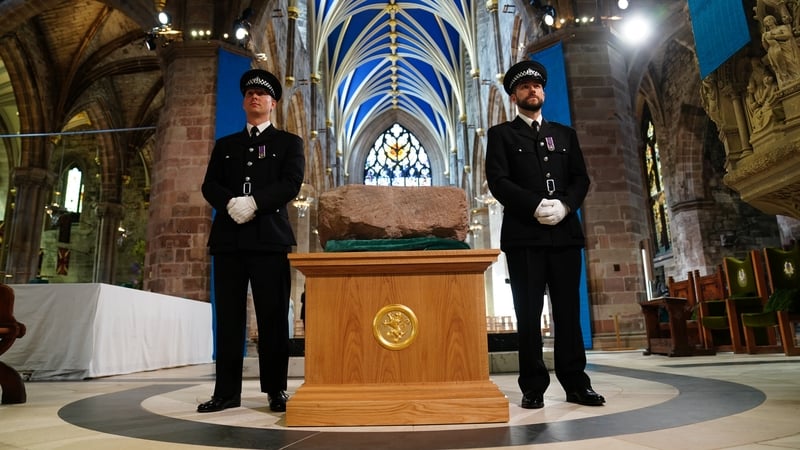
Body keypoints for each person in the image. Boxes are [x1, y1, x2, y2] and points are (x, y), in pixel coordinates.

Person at [485, 60, 604, 409]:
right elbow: (499, 181)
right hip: (525, 236)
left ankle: (576, 383)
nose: (532, 90)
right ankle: (533, 385)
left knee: (568, 312)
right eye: (524, 87)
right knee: (528, 312)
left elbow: (580, 178)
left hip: (565, 235)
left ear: (543, 92)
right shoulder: (501, 135)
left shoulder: (565, 135)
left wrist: (566, 206)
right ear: (514, 96)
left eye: (537, 86)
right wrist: (535, 205)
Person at [198, 68, 305, 413]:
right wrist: (231, 203)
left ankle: (276, 390)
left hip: (270, 239)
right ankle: (226, 392)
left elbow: (291, 183)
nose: (254, 98)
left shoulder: (289, 143)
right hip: (230, 238)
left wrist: (255, 203)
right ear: (244, 102)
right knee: (229, 319)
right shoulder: (226, 145)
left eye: (261, 94)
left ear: (272, 103)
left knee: (272, 318)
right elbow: (209, 184)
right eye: (249, 94)